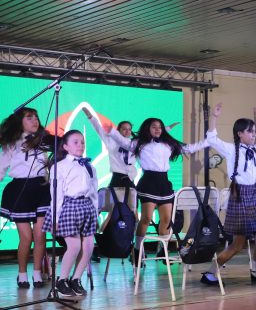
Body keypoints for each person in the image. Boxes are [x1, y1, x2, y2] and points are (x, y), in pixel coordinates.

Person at [108, 117, 208, 263]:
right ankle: (137, 250)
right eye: (154, 127)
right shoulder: (139, 143)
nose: (158, 129)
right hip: (149, 182)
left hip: (164, 183)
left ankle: (163, 249)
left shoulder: (168, 144)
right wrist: (111, 131)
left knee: (166, 220)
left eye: (160, 127)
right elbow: (123, 142)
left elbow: (189, 148)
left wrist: (208, 141)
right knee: (146, 219)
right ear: (147, 128)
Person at [201, 103, 256, 286]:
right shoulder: (230, 149)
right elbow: (212, 139)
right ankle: (210, 273)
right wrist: (214, 117)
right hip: (239, 195)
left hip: (253, 195)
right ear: (239, 134)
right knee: (238, 244)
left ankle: (255, 272)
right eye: (250, 131)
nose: (254, 134)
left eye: (254, 131)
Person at [0, 107, 54, 289]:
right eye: (29, 118)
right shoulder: (12, 143)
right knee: (26, 237)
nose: (34, 120)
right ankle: (22, 273)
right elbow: (1, 168)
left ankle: (37, 272)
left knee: (40, 236)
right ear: (20, 122)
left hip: (42, 189)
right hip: (20, 190)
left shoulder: (43, 140)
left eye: (36, 117)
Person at [42, 130, 98, 298]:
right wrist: (56, 217)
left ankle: (76, 279)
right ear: (65, 146)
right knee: (74, 246)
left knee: (88, 247)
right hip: (69, 207)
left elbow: (94, 192)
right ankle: (61, 280)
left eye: (82, 142)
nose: (80, 145)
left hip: (87, 207)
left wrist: (95, 212)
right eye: (75, 142)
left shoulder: (89, 166)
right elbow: (56, 194)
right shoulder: (59, 166)